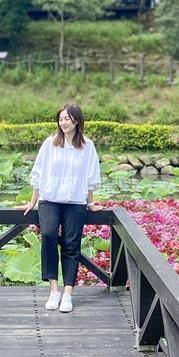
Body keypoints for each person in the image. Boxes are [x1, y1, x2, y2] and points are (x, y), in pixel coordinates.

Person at [23, 103, 103, 313]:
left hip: (75, 203)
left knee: (71, 244)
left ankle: (68, 293)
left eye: (67, 118)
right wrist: (32, 201)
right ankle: (53, 290)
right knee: (48, 235)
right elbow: (38, 172)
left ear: (76, 120)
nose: (63, 122)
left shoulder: (87, 146)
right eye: (60, 119)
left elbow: (91, 177)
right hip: (50, 200)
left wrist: (90, 203)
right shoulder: (50, 143)